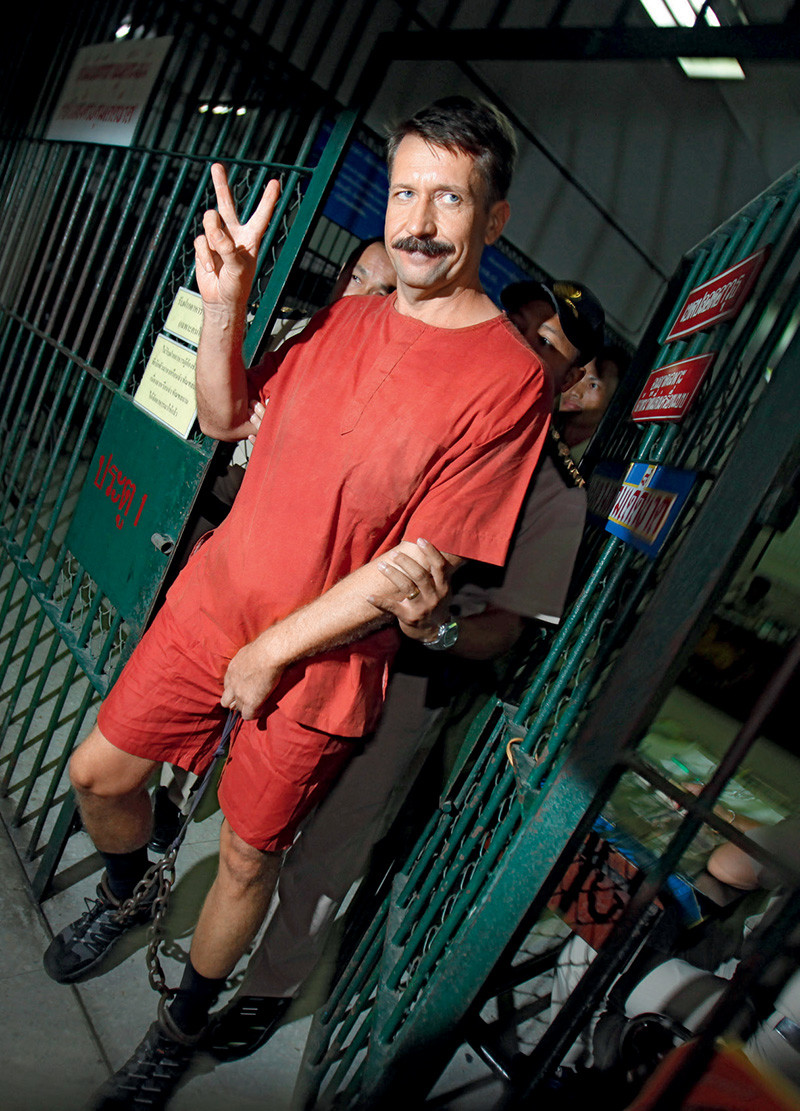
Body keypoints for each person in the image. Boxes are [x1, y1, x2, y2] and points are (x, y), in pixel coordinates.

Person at [43, 96, 554, 1108]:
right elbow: (224, 416)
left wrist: (274, 649)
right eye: (403, 192)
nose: (416, 221)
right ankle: (128, 889)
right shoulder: (346, 314)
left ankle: (179, 1024)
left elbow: (418, 561)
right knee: (98, 774)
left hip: (323, 665)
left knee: (245, 857)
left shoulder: (509, 379)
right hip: (210, 605)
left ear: (493, 219)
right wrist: (225, 302)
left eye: (449, 199)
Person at [202, 276, 605, 1062]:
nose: (520, 342)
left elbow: (503, 629)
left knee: (327, 847)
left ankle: (267, 988)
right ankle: (215, 943)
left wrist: (439, 626)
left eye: (546, 342)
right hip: (317, 642)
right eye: (517, 321)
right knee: (250, 812)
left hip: (407, 679)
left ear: (571, 378)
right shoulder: (440, 400)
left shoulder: (556, 494)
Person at [150, 237, 398, 848]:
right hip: (223, 499)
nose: (363, 294)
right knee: (170, 651)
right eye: (358, 276)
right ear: (339, 274)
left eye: (384, 289)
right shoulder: (288, 328)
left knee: (231, 680)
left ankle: (172, 802)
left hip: (279, 536)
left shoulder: (382, 377)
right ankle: (139, 772)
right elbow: (225, 408)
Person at [550, 807, 800, 1100]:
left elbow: (727, 866)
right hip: (764, 996)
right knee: (663, 926)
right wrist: (730, 817)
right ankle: (600, 1062)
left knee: (592, 952)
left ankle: (562, 1076)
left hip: (763, 1037)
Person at [556, 342, 630, 463]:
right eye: (574, 376)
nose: (575, 391)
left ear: (615, 402)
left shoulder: (600, 460)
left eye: (593, 385)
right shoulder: (545, 421)